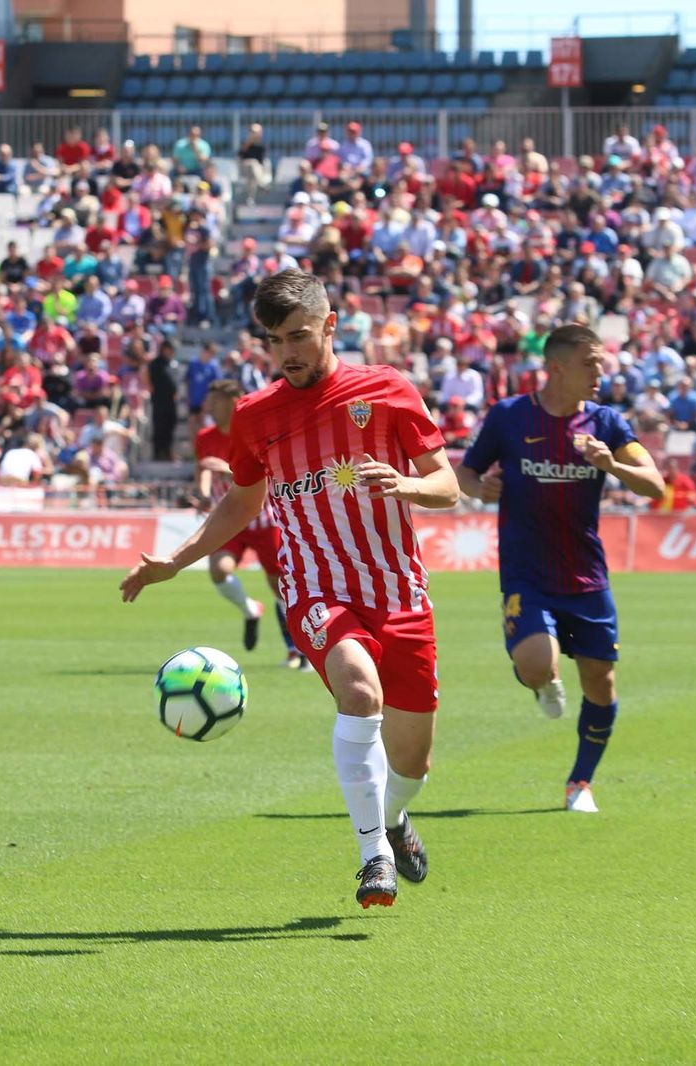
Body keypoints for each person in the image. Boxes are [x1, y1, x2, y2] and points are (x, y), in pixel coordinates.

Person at [121, 270, 461, 909]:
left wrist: (406, 485)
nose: (287, 353)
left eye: (298, 337)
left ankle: (392, 817)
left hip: (399, 594)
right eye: (275, 342)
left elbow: (447, 484)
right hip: (315, 590)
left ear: (331, 326)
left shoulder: (386, 391)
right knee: (359, 691)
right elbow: (239, 503)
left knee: (411, 766)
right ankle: (374, 858)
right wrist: (177, 559)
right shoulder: (255, 415)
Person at [455, 324, 665, 814]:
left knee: (601, 683)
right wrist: (477, 488)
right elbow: (463, 471)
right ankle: (545, 680)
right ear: (557, 367)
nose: (601, 373)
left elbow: (653, 484)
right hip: (527, 576)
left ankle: (580, 784)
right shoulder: (509, 417)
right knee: (533, 665)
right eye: (591, 363)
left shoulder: (607, 423)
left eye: (602, 363)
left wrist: (611, 464)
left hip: (587, 579)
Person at [194, 380, 301, 666]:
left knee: (279, 585)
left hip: (264, 518)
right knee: (219, 570)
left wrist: (227, 471)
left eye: (216, 401)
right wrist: (203, 495)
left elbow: (264, 474)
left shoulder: (254, 430)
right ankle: (250, 609)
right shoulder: (205, 436)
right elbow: (204, 469)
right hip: (230, 517)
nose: (211, 408)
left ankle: (295, 649)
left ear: (232, 401)